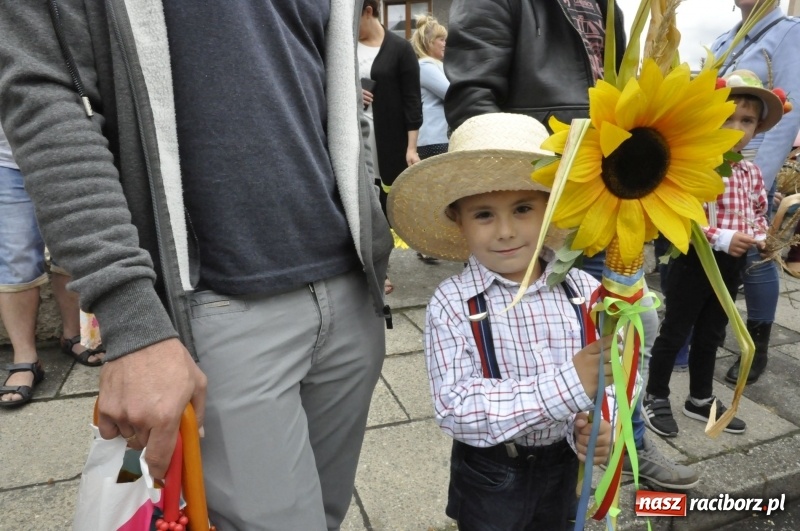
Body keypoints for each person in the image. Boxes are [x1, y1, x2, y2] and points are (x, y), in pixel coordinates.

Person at [0, 3, 392, 530]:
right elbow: (45, 97)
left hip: (351, 292)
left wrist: (372, 235)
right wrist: (131, 318)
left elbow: (331, 90)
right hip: (214, 307)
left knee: (324, 514)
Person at [443, 0, 698, 490]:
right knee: (548, 336)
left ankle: (618, 437)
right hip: (550, 191)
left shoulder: (607, 6)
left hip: (610, 191)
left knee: (630, 325)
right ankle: (583, 446)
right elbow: (474, 94)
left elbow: (619, 87)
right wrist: (510, 192)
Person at [388, 112, 613, 530]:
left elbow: (616, 372)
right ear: (458, 220)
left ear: (551, 209)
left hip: (563, 467)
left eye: (523, 208)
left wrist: (600, 423)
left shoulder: (585, 290)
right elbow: (455, 406)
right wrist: (568, 385)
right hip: (490, 474)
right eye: (484, 215)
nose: (506, 231)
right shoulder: (453, 303)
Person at [642, 70, 784, 438]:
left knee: (712, 332)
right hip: (693, 260)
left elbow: (757, 211)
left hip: (731, 264)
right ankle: (655, 394)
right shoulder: (694, 163)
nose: (736, 128)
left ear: (758, 126)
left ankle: (700, 398)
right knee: (676, 329)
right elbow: (682, 216)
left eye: (746, 121)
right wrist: (721, 237)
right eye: (726, 118)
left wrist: (760, 236)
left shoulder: (751, 171)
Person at [711, 0, 800, 384]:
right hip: (710, 166)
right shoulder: (722, 41)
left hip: (749, 169)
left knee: (754, 254)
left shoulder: (791, 32)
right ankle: (707, 330)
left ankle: (756, 346)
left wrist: (755, 180)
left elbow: (789, 114)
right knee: (711, 248)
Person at [0, 126, 104, 408]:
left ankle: (73, 335)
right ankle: (26, 358)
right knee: (14, 257)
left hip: (64, 150)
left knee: (71, 245)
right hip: (5, 160)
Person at [358, 0, 422, 292]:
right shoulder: (344, 49)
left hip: (390, 142)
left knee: (386, 204)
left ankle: (381, 265)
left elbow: (412, 101)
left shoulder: (399, 48)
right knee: (361, 201)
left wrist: (411, 148)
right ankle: (371, 268)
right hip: (355, 140)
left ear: (368, 11)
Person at [410, 13, 449, 265]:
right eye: (441, 40)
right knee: (436, 194)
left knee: (437, 192)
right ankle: (426, 244)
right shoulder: (426, 67)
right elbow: (450, 92)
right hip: (434, 138)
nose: (445, 44)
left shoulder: (433, 66)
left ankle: (429, 244)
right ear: (428, 43)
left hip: (436, 136)